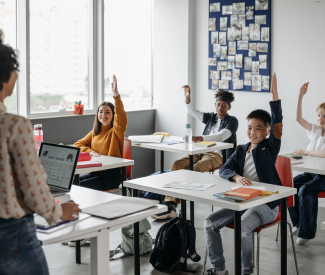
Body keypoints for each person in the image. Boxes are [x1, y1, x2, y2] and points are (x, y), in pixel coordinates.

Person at [0, 34, 80, 275]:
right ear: (6, 76)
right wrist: (56, 212)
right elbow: (33, 187)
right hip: (11, 234)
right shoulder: (15, 126)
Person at [204, 73, 282, 275]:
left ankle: (246, 271)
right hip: (241, 200)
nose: (252, 132)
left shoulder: (269, 148)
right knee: (209, 222)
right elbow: (224, 169)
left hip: (266, 203)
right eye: (249, 128)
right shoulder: (241, 149)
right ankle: (218, 269)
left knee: (242, 227)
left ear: (266, 131)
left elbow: (277, 123)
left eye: (258, 128)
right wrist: (236, 177)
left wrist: (274, 94)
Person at [153, 87, 238, 220]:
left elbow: (222, 136)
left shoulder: (232, 121)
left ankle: (171, 205)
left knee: (195, 169)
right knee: (177, 164)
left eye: (224, 105)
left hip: (218, 156)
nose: (220, 108)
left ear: (229, 107)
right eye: (218, 105)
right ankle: (170, 204)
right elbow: (192, 111)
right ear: (215, 105)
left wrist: (200, 138)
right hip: (201, 150)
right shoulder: (211, 117)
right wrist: (187, 98)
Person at [74, 75, 127, 191]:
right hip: (96, 172)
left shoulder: (116, 131)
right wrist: (90, 151)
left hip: (111, 176)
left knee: (79, 187)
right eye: (101, 112)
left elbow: (121, 117)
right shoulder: (95, 133)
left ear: (113, 115)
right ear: (97, 115)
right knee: (72, 183)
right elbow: (77, 144)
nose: (103, 115)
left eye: (108, 112)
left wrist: (116, 94)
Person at [288, 82, 325, 245]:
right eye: (319, 115)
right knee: (289, 187)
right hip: (312, 172)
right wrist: (300, 96)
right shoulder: (316, 130)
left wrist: (306, 152)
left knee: (306, 190)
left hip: (324, 176)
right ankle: (298, 223)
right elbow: (298, 118)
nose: (320, 119)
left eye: (324, 116)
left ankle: (307, 233)